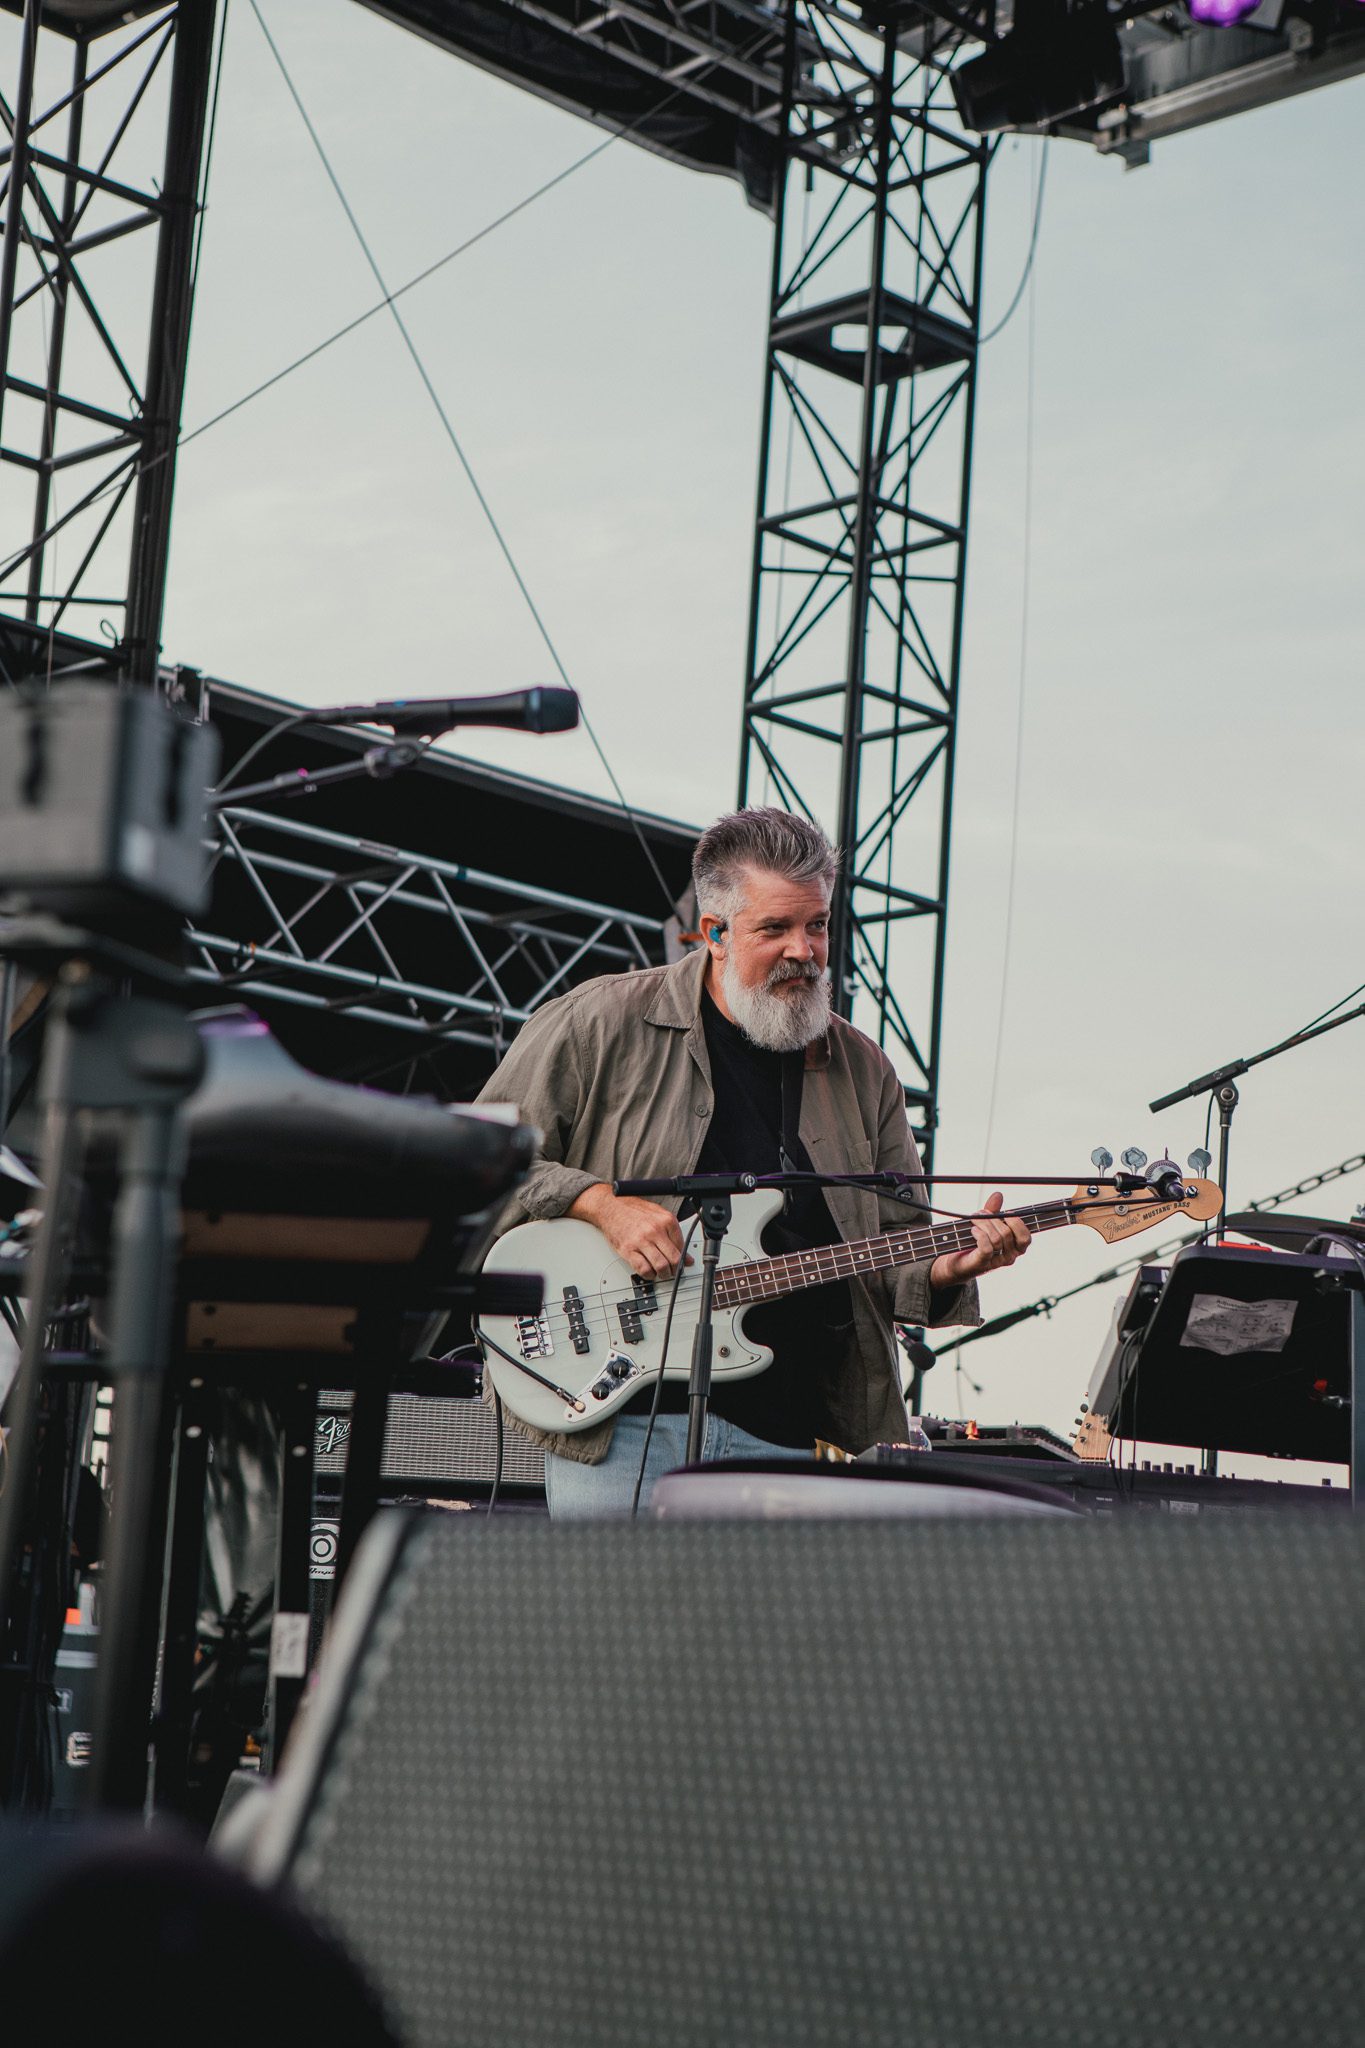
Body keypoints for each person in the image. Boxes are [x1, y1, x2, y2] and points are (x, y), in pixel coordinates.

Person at [476, 808, 1029, 1515]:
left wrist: (950, 1267)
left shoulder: (863, 1070)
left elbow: (893, 1247)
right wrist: (599, 1205)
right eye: (774, 929)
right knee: (613, 1626)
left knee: (759, 1632)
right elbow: (485, 1156)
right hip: (624, 1418)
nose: (804, 950)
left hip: (790, 1432)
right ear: (713, 932)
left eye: (818, 925)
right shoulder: (599, 1021)